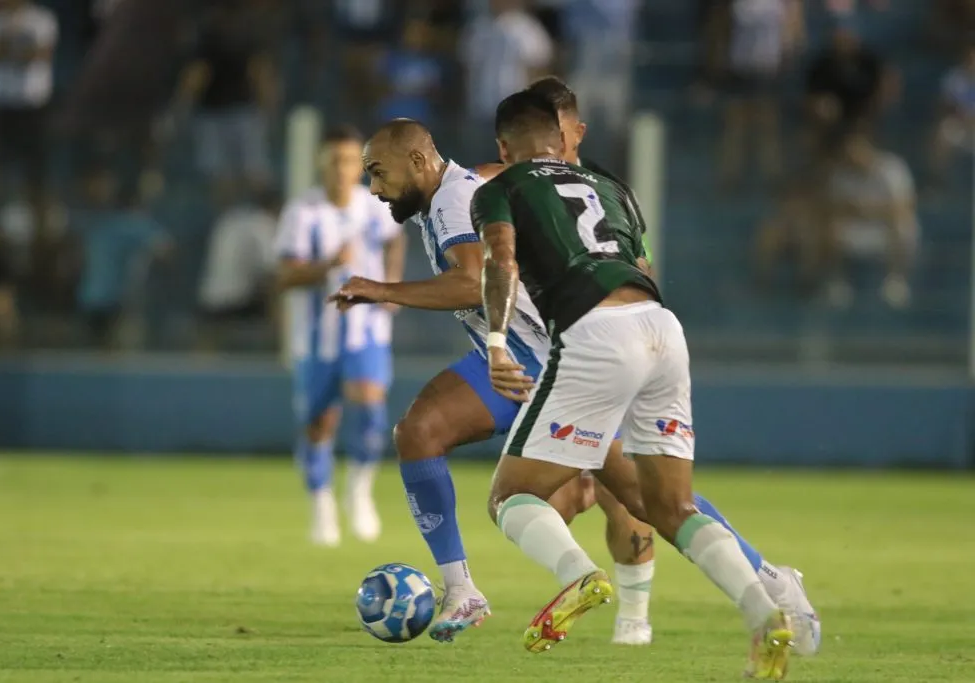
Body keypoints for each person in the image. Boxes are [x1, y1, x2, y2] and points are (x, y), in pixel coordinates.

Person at [334, 115, 816, 658]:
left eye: (378, 172)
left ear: (418, 160)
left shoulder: (450, 202)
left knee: (640, 495)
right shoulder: (456, 189)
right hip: (538, 356)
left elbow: (472, 282)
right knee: (421, 432)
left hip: (546, 363)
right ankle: (464, 592)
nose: (374, 188)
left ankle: (769, 581)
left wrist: (381, 290)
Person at [472, 89, 792, 678]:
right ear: (561, 137)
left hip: (595, 333)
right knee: (671, 506)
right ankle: (765, 614)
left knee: (509, 496)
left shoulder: (499, 188)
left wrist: (496, 342)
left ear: (502, 147)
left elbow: (500, 261)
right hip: (662, 329)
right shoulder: (611, 186)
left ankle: (578, 576)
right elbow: (642, 267)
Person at [273, 125, 405, 547]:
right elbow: (285, 276)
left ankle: (360, 490)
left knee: (370, 406)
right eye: (335, 161)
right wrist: (327, 264)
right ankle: (322, 503)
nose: (343, 169)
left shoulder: (374, 205)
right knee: (319, 424)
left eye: (351, 161)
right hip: (316, 337)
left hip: (366, 332)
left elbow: (395, 240)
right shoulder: (302, 212)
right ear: (321, 163)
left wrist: (393, 284)